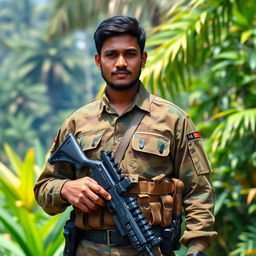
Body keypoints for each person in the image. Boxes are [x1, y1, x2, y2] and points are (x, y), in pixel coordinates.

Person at [34, 16, 217, 256]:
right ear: (98, 61)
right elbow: (44, 189)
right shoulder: (77, 122)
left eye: (130, 54)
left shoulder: (174, 120)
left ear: (143, 59)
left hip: (151, 248)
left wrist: (196, 247)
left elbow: (199, 190)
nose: (121, 63)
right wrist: (67, 188)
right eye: (111, 55)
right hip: (88, 249)